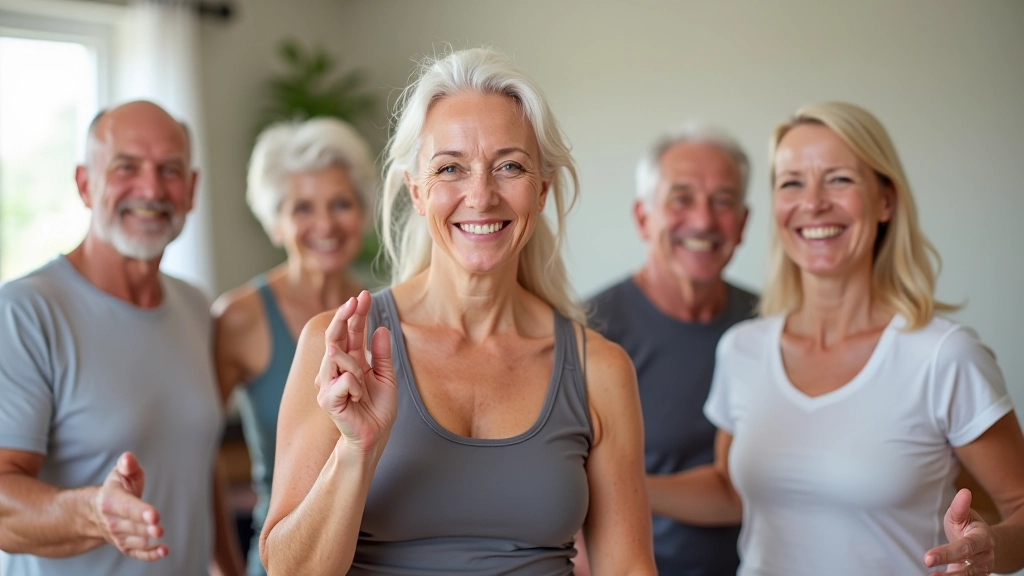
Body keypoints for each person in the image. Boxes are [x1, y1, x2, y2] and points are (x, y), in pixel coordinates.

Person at [259, 47, 656, 575]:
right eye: (451, 168)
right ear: (417, 192)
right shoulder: (336, 347)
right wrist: (356, 451)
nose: (481, 195)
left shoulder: (598, 371)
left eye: (509, 166)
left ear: (541, 191)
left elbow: (628, 569)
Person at [647, 101, 1024, 575]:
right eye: (791, 183)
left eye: (839, 179)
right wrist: (622, 488)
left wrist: (990, 551)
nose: (813, 203)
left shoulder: (944, 355)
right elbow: (732, 491)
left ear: (886, 199)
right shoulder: (743, 348)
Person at [0, 101, 243, 575]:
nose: (151, 189)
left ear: (191, 190)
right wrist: (94, 512)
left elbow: (197, 459)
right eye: (126, 167)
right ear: (84, 184)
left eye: (169, 170)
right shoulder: (25, 312)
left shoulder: (196, 306)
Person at [587, 123, 756, 575]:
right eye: (681, 199)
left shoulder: (770, 329)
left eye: (722, 201)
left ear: (742, 223)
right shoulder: (588, 334)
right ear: (643, 218)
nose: (703, 220)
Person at [213, 117, 377, 576]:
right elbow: (196, 450)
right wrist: (222, 567)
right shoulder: (239, 318)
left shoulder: (386, 310)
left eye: (341, 203)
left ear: (361, 214)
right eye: (303, 208)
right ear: (275, 224)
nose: (325, 223)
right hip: (285, 560)